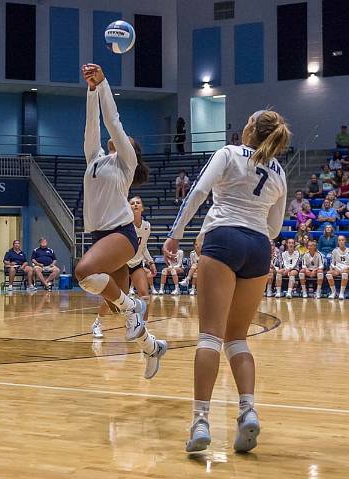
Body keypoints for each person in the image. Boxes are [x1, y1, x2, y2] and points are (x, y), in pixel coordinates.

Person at [162, 108, 289, 453]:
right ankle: (248, 410)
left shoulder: (228, 153)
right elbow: (275, 229)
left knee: (209, 337)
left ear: (250, 130)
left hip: (224, 239)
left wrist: (175, 235)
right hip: (259, 248)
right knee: (238, 339)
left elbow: (197, 193)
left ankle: (201, 421)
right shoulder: (279, 171)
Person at [75, 64, 165, 379]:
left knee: (84, 272)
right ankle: (152, 347)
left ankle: (132, 308)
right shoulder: (95, 158)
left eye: (125, 138)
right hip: (100, 236)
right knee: (117, 308)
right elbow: (92, 123)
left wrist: (104, 84)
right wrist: (90, 90)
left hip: (121, 235)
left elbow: (112, 121)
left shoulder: (125, 162)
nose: (118, 137)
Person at [92, 196, 155, 339]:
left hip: (137, 263)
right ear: (129, 208)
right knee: (116, 299)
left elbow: (143, 247)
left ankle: (142, 328)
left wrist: (150, 262)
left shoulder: (147, 226)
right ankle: (97, 324)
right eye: (132, 203)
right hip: (123, 263)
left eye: (138, 203)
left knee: (145, 296)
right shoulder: (125, 226)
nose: (135, 205)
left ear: (142, 208)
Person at [326, 235, 349, 300]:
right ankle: (333, 292)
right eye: (339, 240)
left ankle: (341, 293)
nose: (341, 241)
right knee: (328, 274)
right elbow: (332, 263)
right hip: (337, 269)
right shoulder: (335, 251)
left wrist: (348, 267)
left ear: (345, 241)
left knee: (344, 273)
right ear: (338, 242)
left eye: (342, 240)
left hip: (346, 269)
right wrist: (335, 268)